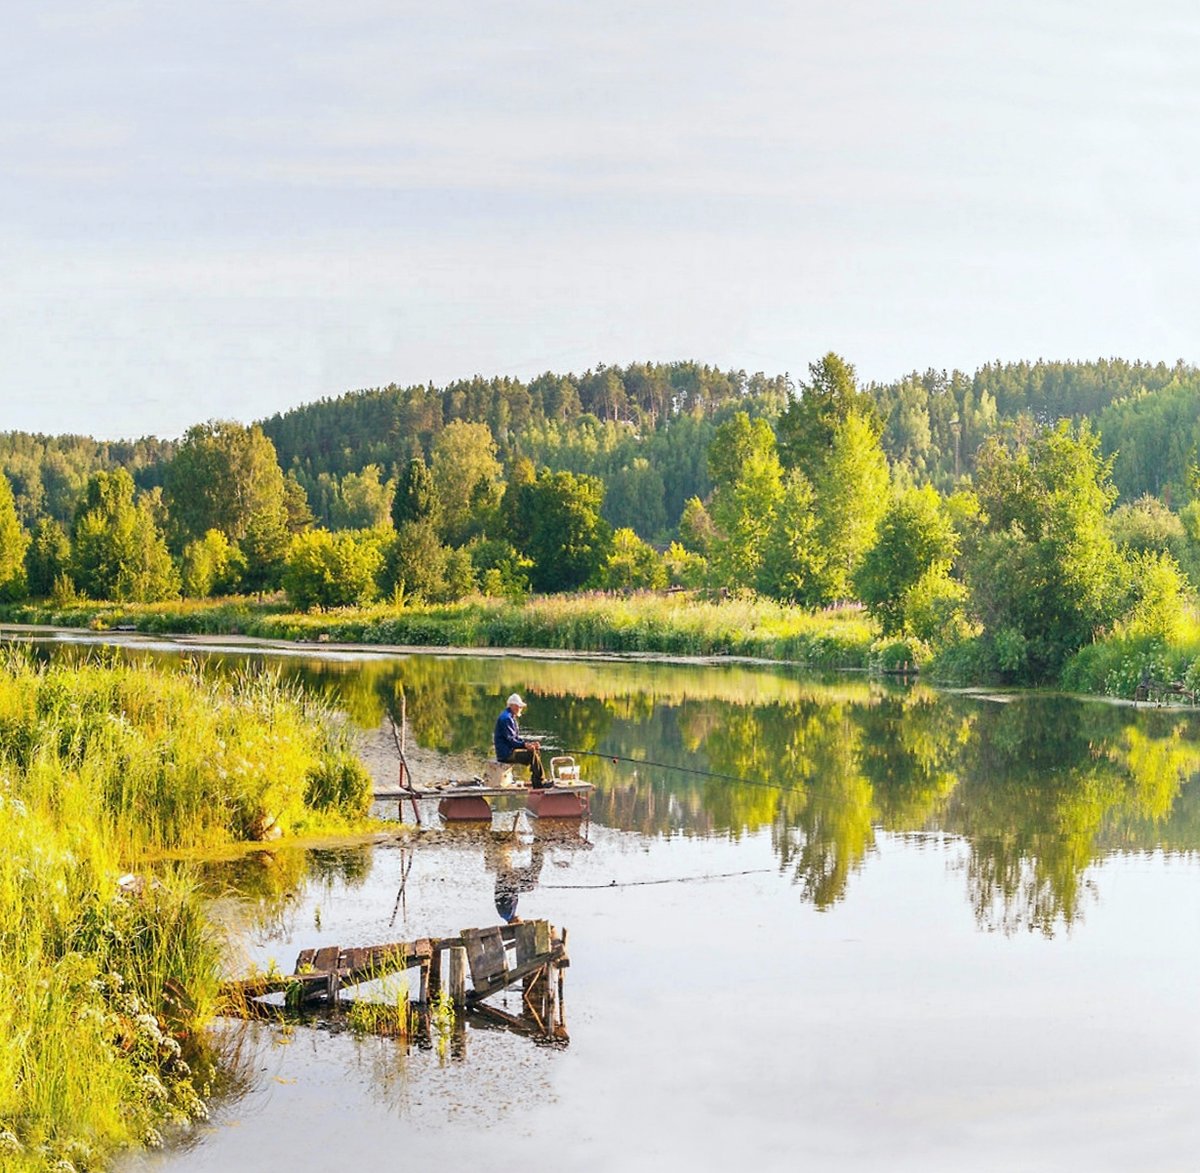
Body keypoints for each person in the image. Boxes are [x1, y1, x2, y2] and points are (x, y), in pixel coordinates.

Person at [493, 692, 547, 787]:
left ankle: (537, 781)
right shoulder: (506, 719)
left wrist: (529, 744)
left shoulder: (510, 717)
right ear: (513, 706)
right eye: (519, 706)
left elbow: (516, 738)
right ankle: (540, 783)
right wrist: (525, 745)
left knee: (535, 751)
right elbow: (511, 741)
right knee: (531, 754)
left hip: (509, 750)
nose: (521, 709)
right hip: (506, 754)